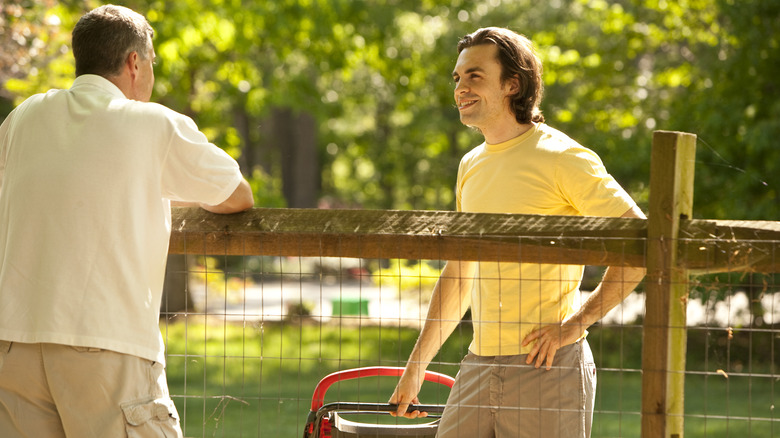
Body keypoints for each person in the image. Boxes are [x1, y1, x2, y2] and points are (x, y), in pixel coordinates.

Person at [0, 5, 253, 437]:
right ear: (135, 62)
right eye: (151, 60)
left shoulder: (24, 117)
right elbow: (236, 195)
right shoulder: (153, 124)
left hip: (13, 344)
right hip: (105, 343)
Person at [389, 27, 646, 438]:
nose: (460, 88)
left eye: (475, 76)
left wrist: (576, 323)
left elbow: (641, 241)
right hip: (477, 364)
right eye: (457, 78)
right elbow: (459, 274)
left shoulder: (563, 157)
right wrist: (415, 369)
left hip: (549, 368)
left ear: (513, 84)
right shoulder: (470, 165)